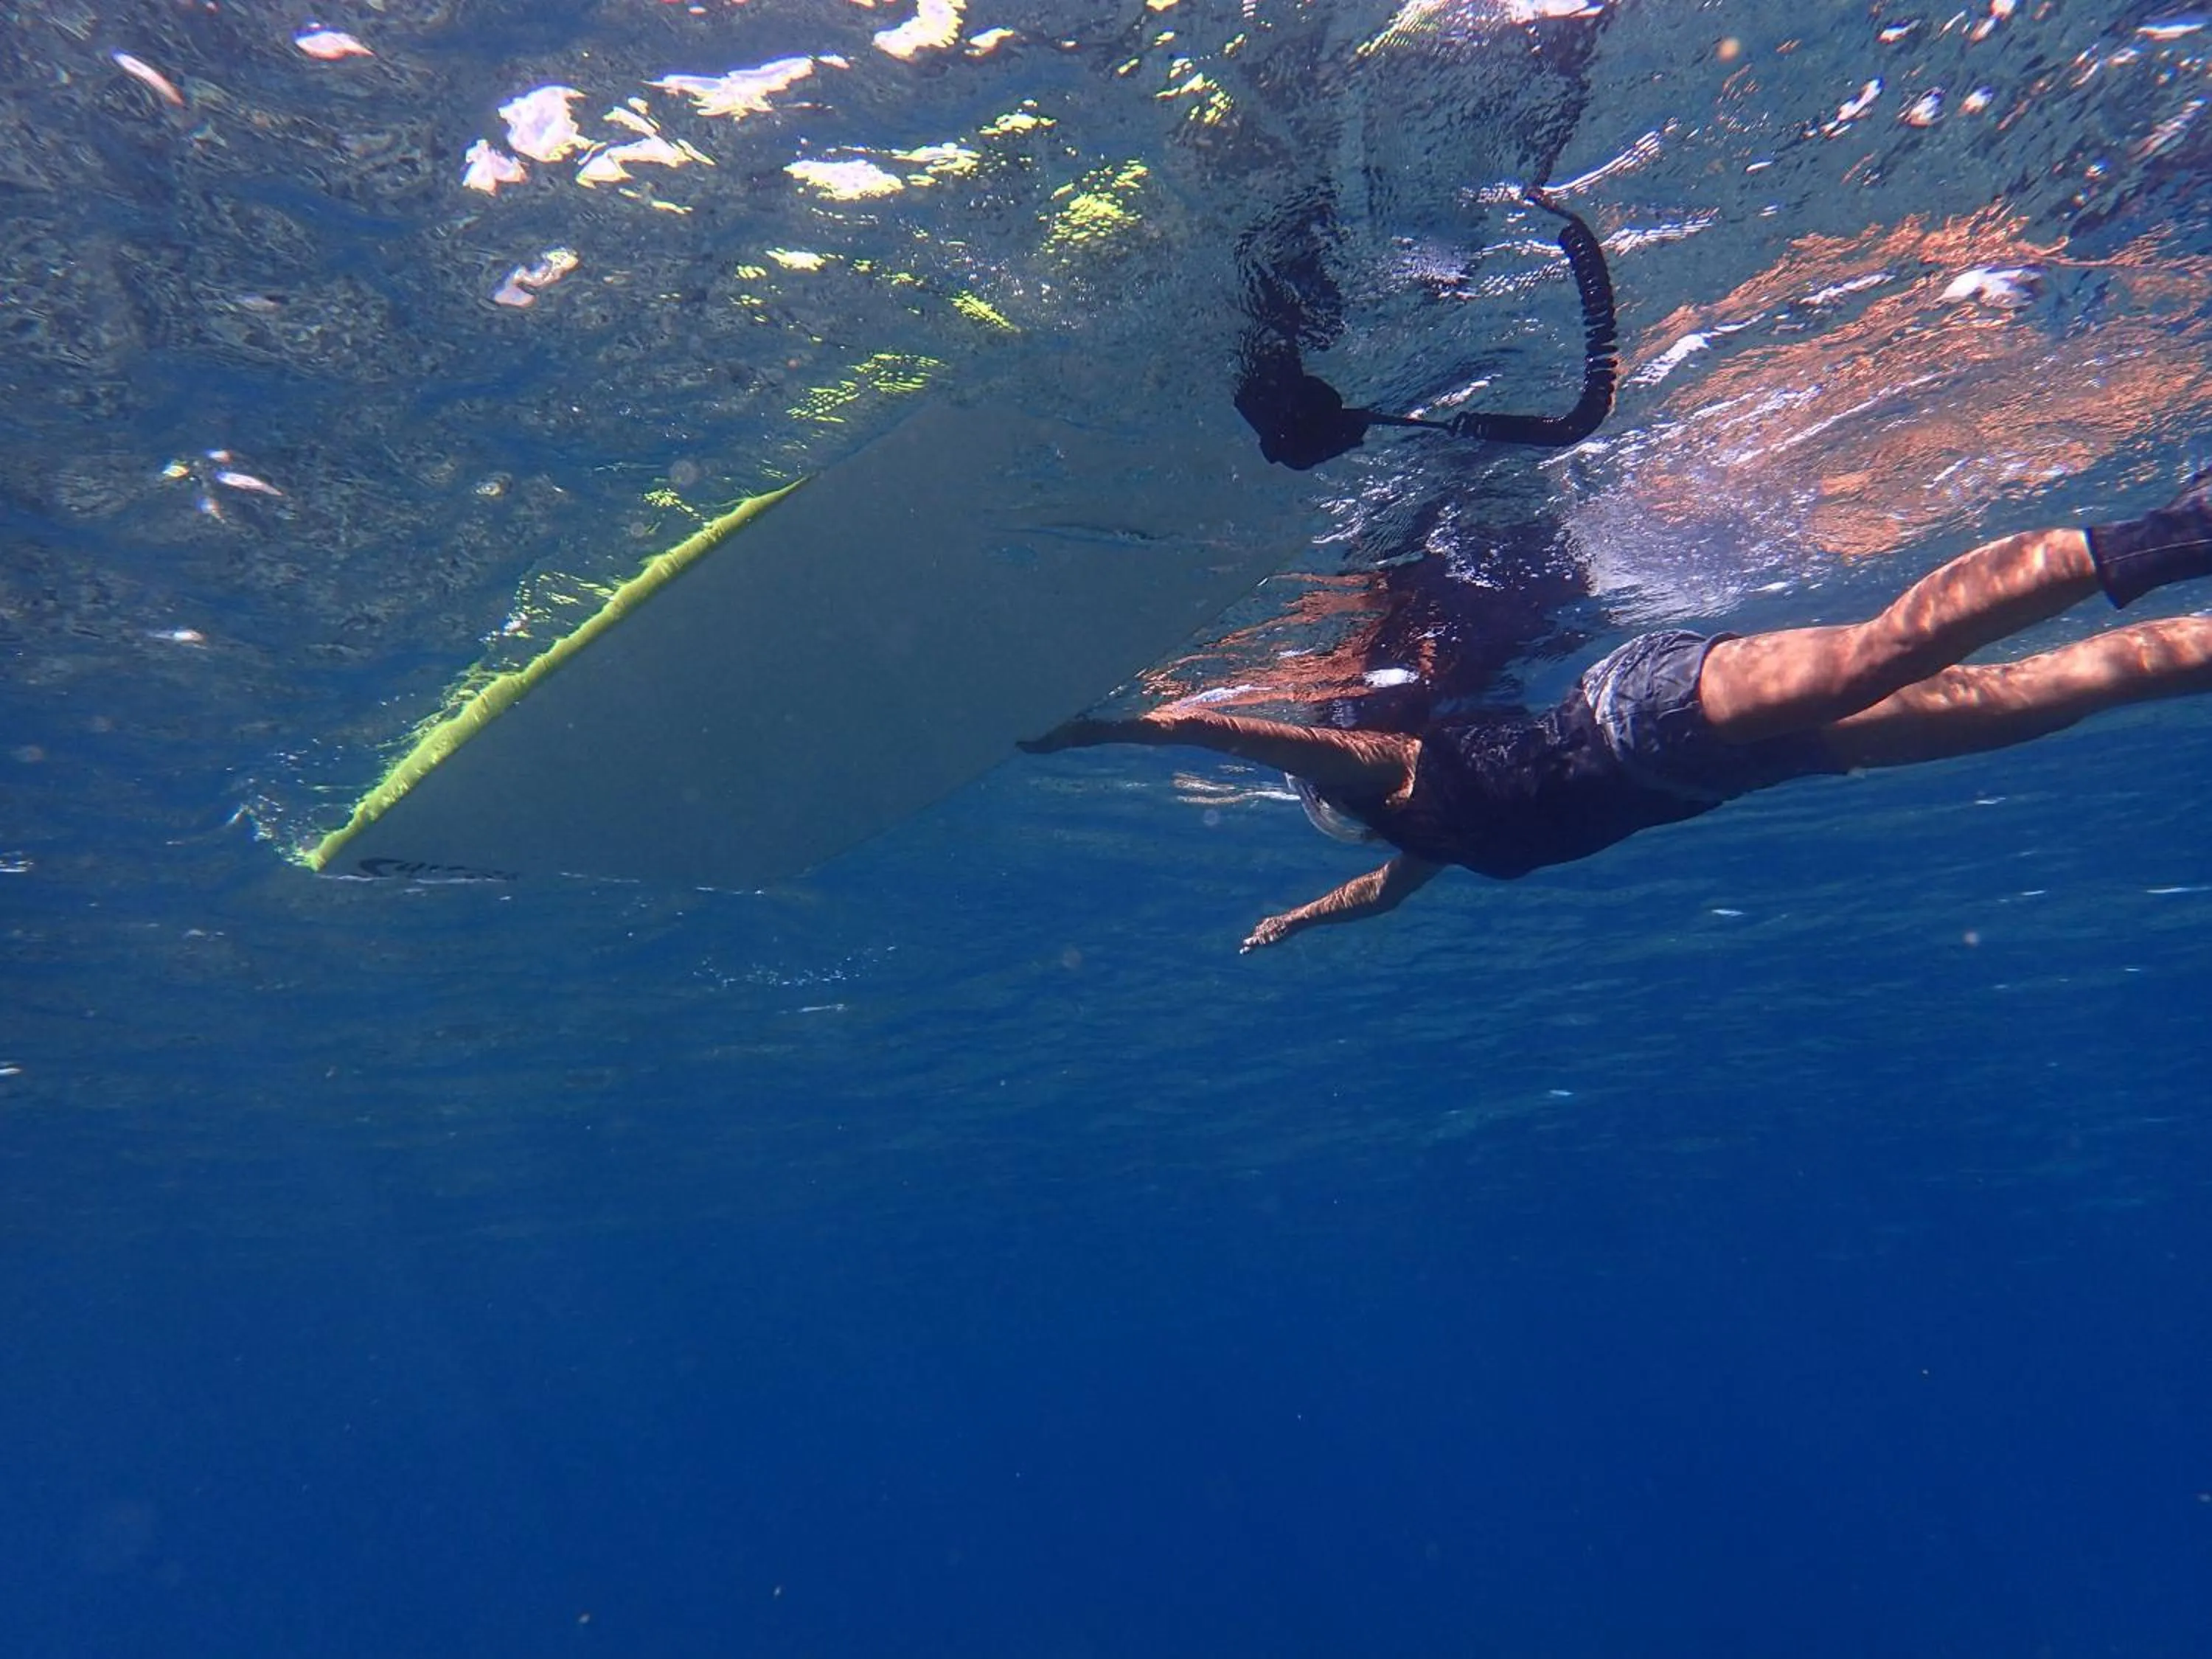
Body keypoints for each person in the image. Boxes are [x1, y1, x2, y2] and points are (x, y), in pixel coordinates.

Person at [1023, 479, 2212, 952]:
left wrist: (1104, 731)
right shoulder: (1419, 848)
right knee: (2019, 706)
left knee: (1874, 656)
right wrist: (1289, 925)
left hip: (1640, 710)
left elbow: (1231, 732)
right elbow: (1367, 895)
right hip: (1732, 773)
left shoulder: (1384, 768)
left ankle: (2168, 534)